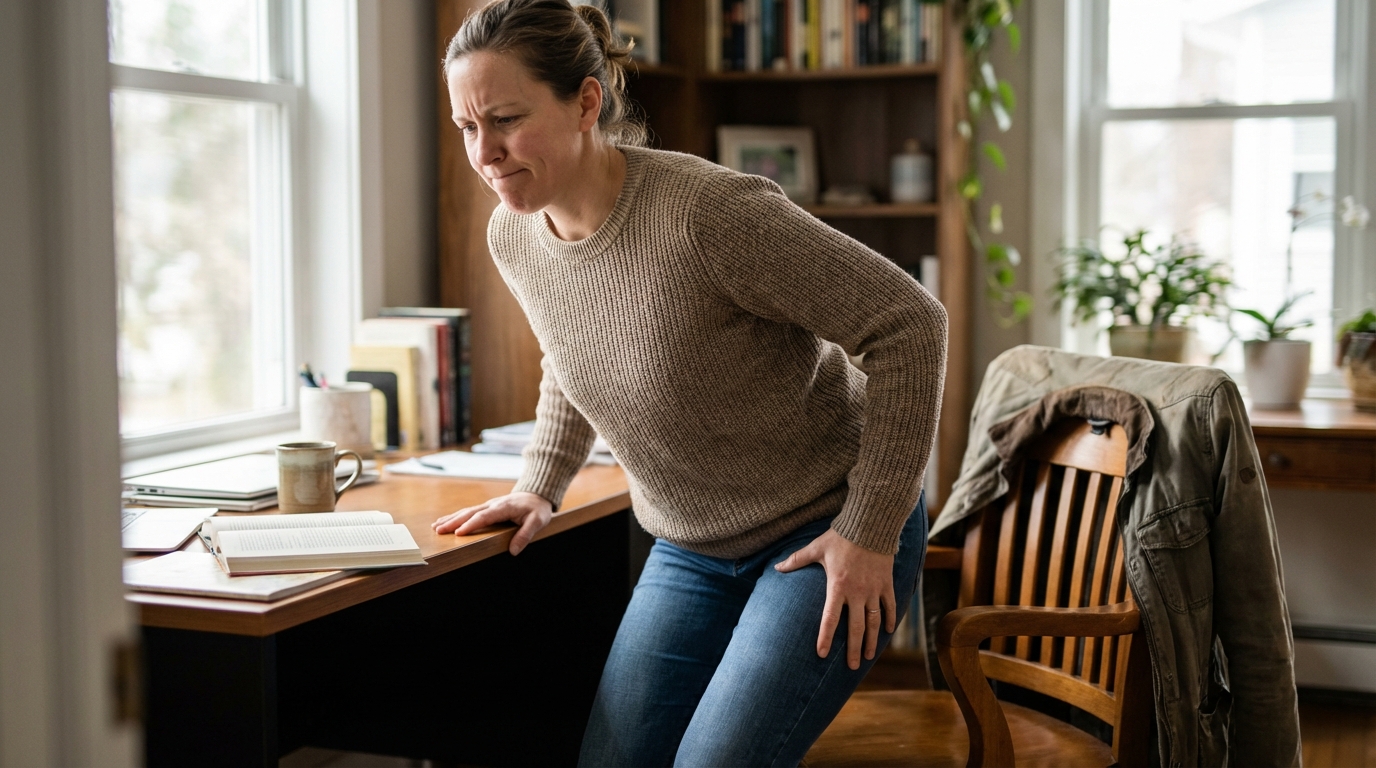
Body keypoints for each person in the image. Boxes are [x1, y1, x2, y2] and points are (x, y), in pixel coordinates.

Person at [430, 1, 947, 765]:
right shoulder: (513, 232)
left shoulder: (710, 215)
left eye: (505, 119)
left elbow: (912, 323)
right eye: (467, 128)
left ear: (586, 102)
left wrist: (869, 531)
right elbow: (570, 354)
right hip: (689, 546)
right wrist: (541, 483)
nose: (486, 153)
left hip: (827, 522)